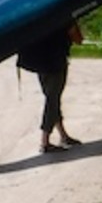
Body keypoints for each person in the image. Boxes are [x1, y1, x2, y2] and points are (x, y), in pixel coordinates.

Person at [17, 22, 84, 153]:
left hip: (40, 64)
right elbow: (78, 39)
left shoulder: (41, 14)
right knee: (52, 101)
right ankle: (45, 142)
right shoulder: (64, 16)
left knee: (52, 99)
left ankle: (63, 136)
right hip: (55, 63)